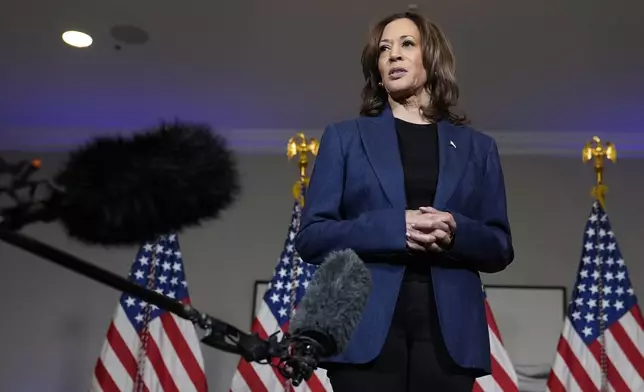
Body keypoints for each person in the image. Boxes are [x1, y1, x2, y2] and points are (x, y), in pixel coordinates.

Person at [294, 10, 514, 392]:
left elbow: (499, 246)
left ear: (432, 58)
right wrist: (396, 228)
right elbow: (313, 237)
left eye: (406, 44)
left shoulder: (479, 149)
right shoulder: (345, 138)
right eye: (384, 50)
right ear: (377, 70)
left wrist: (455, 230)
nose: (393, 55)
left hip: (450, 339)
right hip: (363, 329)